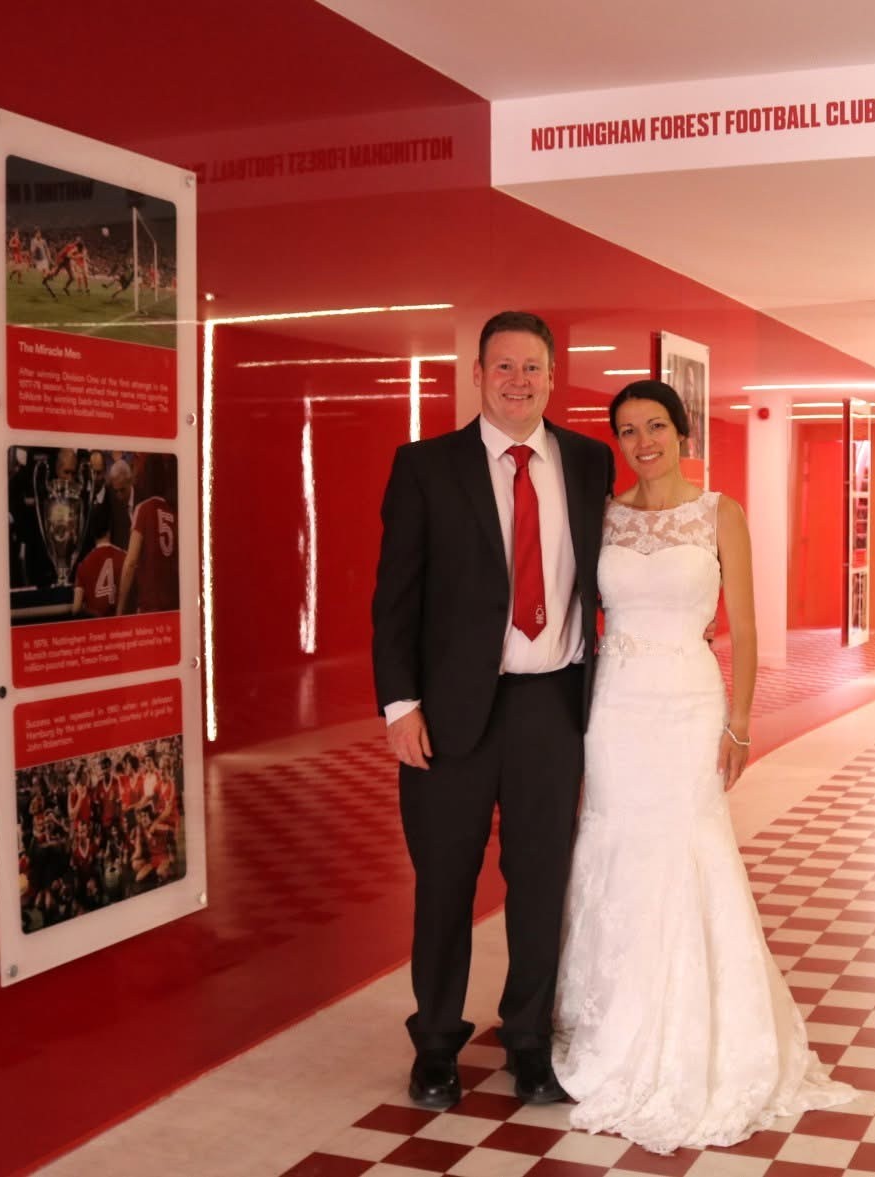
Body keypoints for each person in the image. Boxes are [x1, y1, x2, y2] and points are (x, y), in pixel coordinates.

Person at [552, 380, 854, 1154]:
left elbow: (746, 632)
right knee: (616, 852)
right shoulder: (606, 516)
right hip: (616, 709)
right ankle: (614, 1027)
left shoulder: (722, 513)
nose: (642, 440)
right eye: (627, 430)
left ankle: (696, 1036)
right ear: (617, 442)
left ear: (682, 432)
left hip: (688, 705)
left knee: (687, 850)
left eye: (656, 425)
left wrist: (741, 721)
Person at [371, 310, 615, 1111]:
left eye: (533, 367)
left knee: (541, 881)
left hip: (554, 705)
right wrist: (400, 704)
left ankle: (529, 1043)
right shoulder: (425, 467)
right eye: (503, 366)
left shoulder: (587, 462)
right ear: (476, 374)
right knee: (445, 881)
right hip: (449, 715)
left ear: (553, 377)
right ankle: (437, 1045)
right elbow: (394, 600)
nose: (518, 381)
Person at [116, 454, 178, 615]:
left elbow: (130, 563)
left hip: (149, 607)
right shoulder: (174, 514)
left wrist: (120, 609)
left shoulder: (143, 509)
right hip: (172, 607)